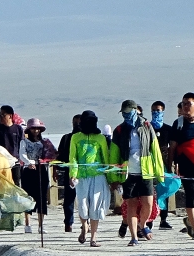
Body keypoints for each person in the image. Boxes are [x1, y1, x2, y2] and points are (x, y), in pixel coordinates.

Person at [110, 100, 164, 247]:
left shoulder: (147, 126)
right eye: (124, 113)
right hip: (128, 173)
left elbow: (155, 150)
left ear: (135, 111)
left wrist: (159, 172)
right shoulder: (119, 130)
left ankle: (143, 223)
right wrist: (114, 176)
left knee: (148, 204)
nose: (126, 116)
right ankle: (133, 237)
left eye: (129, 112)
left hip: (146, 172)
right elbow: (114, 155)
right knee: (131, 205)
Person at [168, 93, 194, 239]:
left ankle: (193, 222)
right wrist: (170, 166)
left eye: (188, 103)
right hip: (185, 165)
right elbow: (172, 146)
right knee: (191, 194)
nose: (185, 106)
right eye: (183, 103)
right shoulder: (178, 123)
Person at [69, 111, 111, 247]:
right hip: (81, 177)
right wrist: (73, 174)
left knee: (96, 206)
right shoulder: (75, 137)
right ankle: (84, 226)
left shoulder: (100, 138)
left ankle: (93, 237)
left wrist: (109, 175)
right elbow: (73, 157)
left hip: (97, 176)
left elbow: (105, 157)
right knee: (82, 205)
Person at [18, 118, 56, 233]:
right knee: (27, 197)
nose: (36, 131)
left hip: (41, 170)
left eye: (38, 128)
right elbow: (22, 154)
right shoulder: (24, 142)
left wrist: (46, 159)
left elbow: (53, 153)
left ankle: (41, 225)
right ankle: (27, 224)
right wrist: (29, 162)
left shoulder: (45, 142)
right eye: (33, 128)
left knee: (42, 198)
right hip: (28, 171)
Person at [149, 101, 176, 230]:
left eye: (158, 111)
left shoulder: (168, 129)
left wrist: (170, 164)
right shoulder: (147, 128)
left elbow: (172, 147)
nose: (155, 113)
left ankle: (163, 219)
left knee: (164, 190)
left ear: (163, 111)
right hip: (149, 164)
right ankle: (149, 219)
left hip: (164, 164)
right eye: (153, 111)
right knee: (150, 191)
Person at [56, 114, 81, 233]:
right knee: (69, 200)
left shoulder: (85, 138)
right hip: (69, 172)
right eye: (75, 123)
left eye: (78, 123)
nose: (77, 125)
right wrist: (56, 170)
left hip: (84, 172)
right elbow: (59, 156)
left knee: (84, 199)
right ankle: (68, 223)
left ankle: (85, 223)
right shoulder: (66, 138)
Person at [0, 105, 24, 188]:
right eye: (0, 115)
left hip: (15, 161)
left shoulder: (18, 129)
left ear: (10, 116)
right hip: (0, 162)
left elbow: (22, 145)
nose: (1, 117)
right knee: (1, 184)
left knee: (15, 184)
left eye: (3, 115)